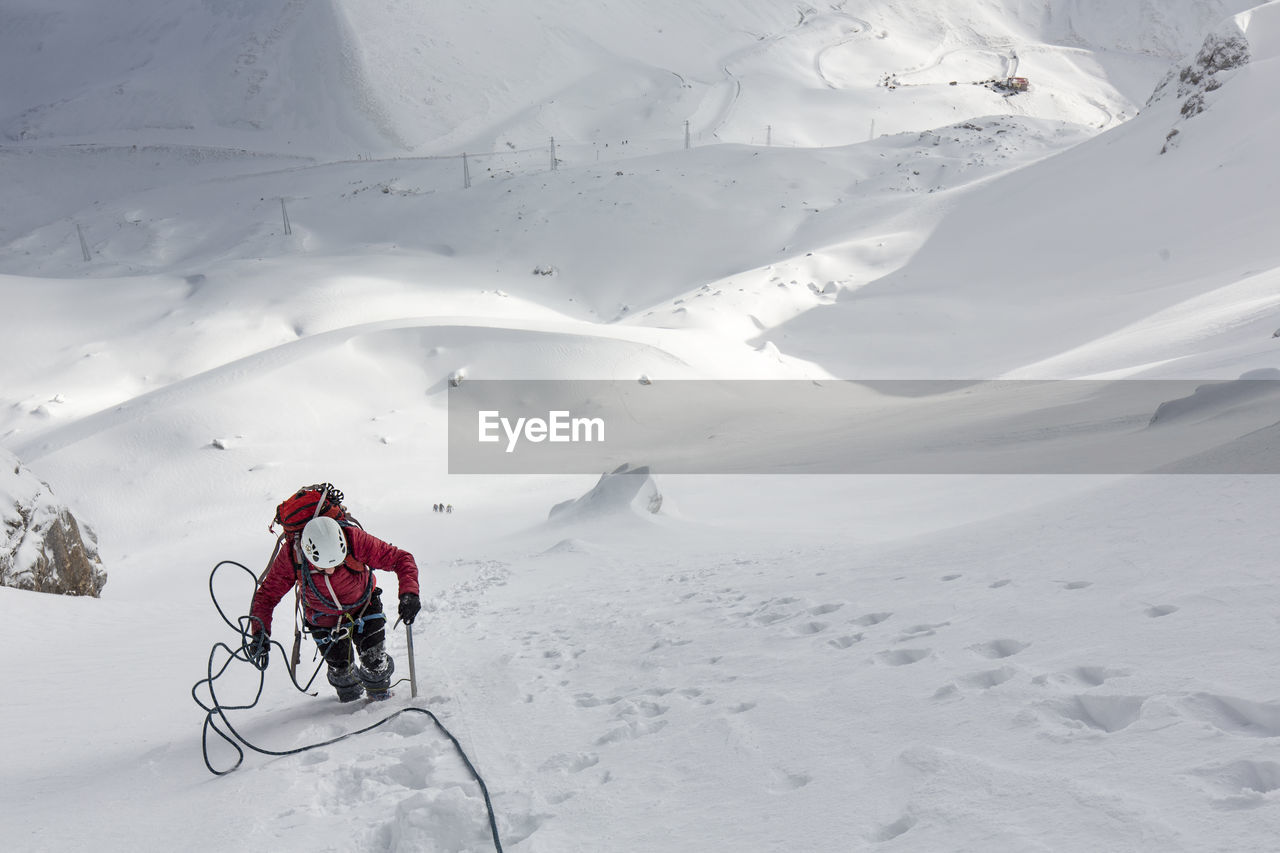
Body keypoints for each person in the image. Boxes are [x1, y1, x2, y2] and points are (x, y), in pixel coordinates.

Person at [248, 515, 421, 702]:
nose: (330, 571)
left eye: (337, 564)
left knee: (375, 662)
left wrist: (409, 593)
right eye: (323, 567)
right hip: (323, 619)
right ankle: (350, 705)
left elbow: (400, 559)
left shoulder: (354, 538)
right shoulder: (292, 554)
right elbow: (267, 596)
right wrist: (260, 633)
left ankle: (379, 699)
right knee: (342, 675)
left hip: (365, 607)